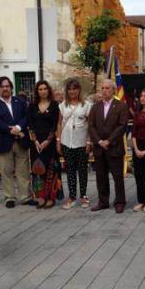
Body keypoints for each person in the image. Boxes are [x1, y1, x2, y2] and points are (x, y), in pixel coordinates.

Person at [0, 76, 32, 208]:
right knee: (6, 171)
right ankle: (9, 197)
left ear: (11, 88)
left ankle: (25, 196)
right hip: (3, 141)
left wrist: (18, 127)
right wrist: (10, 129)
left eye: (7, 86)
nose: (5, 88)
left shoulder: (21, 101)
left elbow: (26, 116)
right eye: (2, 86)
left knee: (23, 170)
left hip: (21, 141)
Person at [88, 79, 129, 213]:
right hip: (99, 148)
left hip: (114, 147)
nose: (105, 91)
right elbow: (91, 126)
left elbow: (122, 126)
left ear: (113, 90)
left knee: (118, 177)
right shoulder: (96, 107)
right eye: (103, 88)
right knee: (101, 177)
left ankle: (120, 202)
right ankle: (103, 201)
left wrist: (109, 141)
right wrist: (99, 141)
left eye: (107, 88)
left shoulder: (121, 106)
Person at [57, 79, 92, 210]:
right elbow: (59, 124)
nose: (72, 91)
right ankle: (72, 196)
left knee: (82, 170)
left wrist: (89, 142)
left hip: (82, 142)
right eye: (70, 89)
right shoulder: (62, 106)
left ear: (79, 90)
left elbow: (90, 125)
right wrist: (58, 141)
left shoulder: (86, 105)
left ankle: (83, 195)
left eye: (75, 89)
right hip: (67, 142)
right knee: (70, 170)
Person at [27, 80, 61, 209]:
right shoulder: (32, 106)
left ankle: (51, 197)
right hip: (35, 144)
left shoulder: (54, 105)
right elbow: (30, 125)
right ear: (37, 91)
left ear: (49, 90)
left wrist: (48, 141)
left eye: (45, 89)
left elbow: (55, 124)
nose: (42, 91)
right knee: (37, 170)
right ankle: (40, 197)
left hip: (50, 143)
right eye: (40, 89)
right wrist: (35, 140)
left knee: (51, 170)